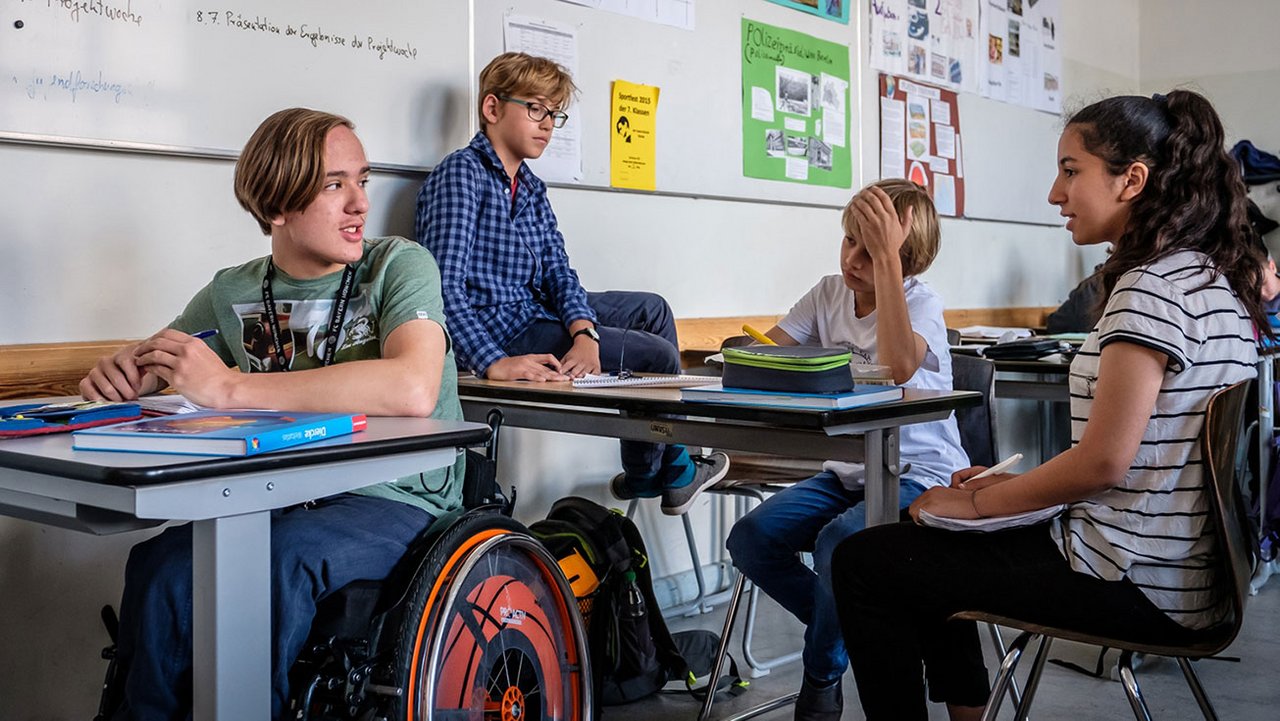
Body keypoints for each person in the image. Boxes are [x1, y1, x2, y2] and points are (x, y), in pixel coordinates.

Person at [831, 90, 1265, 721]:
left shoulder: (1150, 289)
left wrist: (976, 503)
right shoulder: (1206, 278)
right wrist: (999, 492)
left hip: (1135, 579)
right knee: (919, 543)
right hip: (1182, 575)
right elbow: (1134, 456)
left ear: (1131, 180)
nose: (1054, 195)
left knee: (866, 562)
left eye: (1070, 171)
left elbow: (1102, 466)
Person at [80, 107, 467, 720]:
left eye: (362, 180)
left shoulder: (399, 266)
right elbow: (163, 362)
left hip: (395, 497)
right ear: (277, 208)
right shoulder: (231, 290)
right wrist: (127, 374)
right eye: (334, 185)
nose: (360, 204)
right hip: (279, 492)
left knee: (279, 561)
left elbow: (413, 387)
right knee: (158, 566)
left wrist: (232, 388)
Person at [416, 52, 727, 515]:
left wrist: (585, 332)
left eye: (554, 114)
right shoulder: (461, 175)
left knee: (654, 309)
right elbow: (441, 289)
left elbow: (560, 273)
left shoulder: (531, 187)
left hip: (533, 309)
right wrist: (492, 362)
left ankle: (649, 471)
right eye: (536, 109)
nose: (547, 124)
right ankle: (671, 469)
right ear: (492, 109)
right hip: (502, 329)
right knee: (660, 357)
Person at [725, 178, 969, 721]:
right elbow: (771, 355)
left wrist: (888, 262)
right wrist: (745, 354)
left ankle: (821, 676)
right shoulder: (827, 292)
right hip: (851, 470)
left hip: (922, 474)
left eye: (874, 248)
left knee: (840, 544)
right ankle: (855, 628)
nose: (855, 258)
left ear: (908, 261)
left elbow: (901, 365)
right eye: (850, 241)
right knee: (751, 539)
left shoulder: (920, 303)